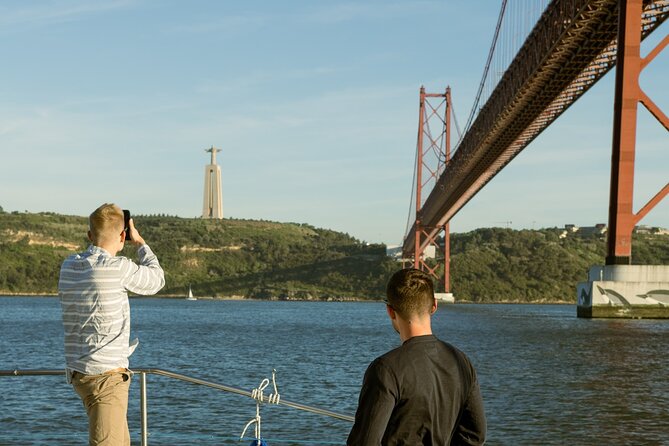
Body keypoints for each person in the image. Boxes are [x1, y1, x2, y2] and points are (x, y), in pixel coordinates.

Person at [59, 203, 165, 445]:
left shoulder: (69, 266)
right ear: (122, 236)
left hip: (79, 373)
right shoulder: (117, 268)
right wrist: (139, 243)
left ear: (89, 235)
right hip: (105, 378)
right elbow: (157, 279)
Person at [347, 268, 486, 445]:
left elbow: (365, 442)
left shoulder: (385, 369)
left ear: (390, 311)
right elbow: (475, 435)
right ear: (434, 305)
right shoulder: (462, 362)